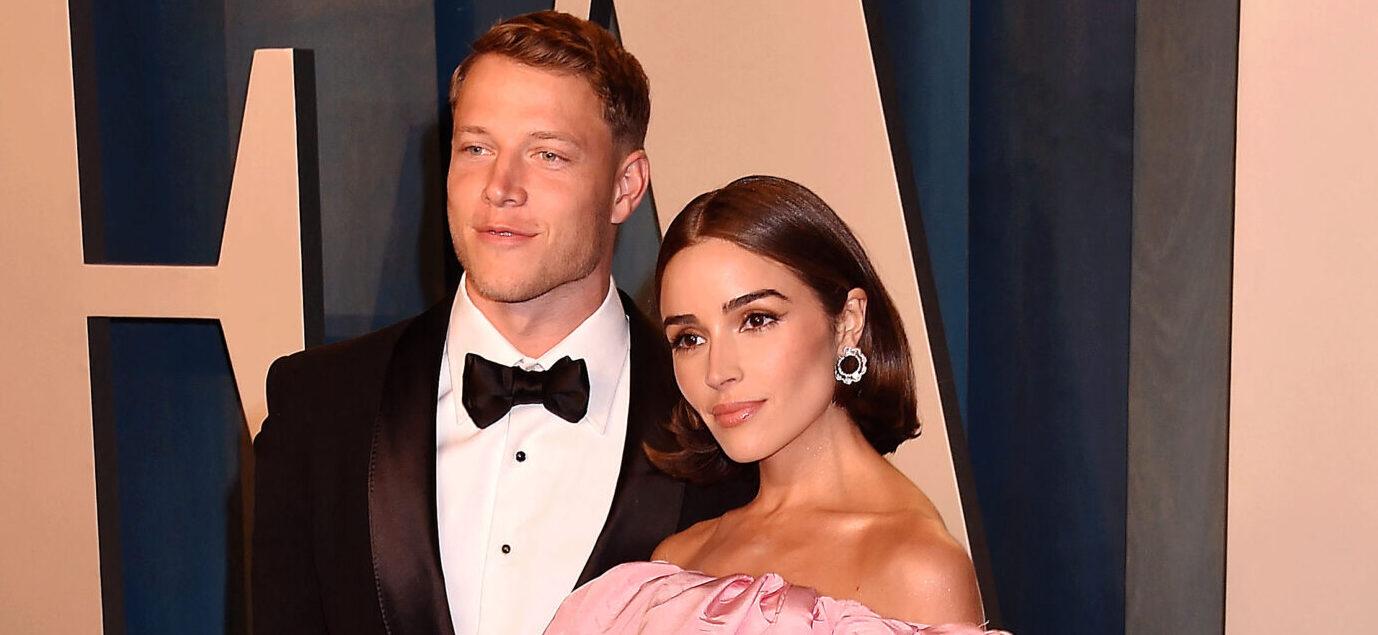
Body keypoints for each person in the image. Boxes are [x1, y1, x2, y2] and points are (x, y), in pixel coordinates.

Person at [252, 12, 752, 635]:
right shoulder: (318, 407)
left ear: (626, 187)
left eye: (547, 154)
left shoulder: (720, 422)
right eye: (477, 148)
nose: (500, 188)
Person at [545, 176, 1005, 633]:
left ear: (847, 321)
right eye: (690, 338)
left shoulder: (918, 569)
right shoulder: (675, 564)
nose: (717, 371)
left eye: (756, 319)